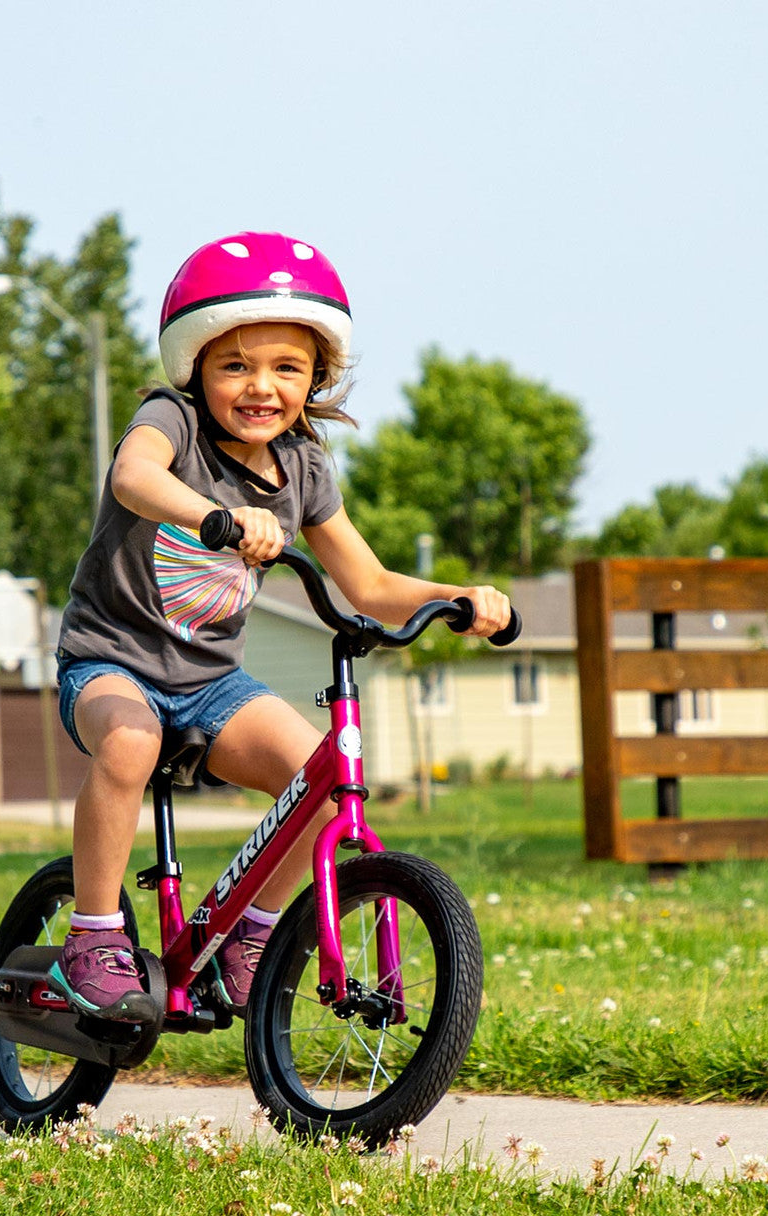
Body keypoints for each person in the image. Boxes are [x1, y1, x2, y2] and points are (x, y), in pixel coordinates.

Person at [49, 231, 512, 1022]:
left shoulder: (302, 469)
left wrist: (462, 597)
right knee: (130, 743)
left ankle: (250, 936)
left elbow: (366, 583)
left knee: (324, 787)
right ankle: (92, 937)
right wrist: (216, 516)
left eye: (286, 368)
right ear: (196, 366)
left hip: (210, 684)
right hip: (111, 663)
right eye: (236, 366)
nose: (261, 386)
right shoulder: (173, 422)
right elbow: (133, 476)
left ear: (316, 377)